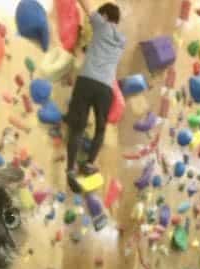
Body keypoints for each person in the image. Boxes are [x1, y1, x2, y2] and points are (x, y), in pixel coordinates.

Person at [65, 1, 126, 193]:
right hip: (106, 89)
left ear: (106, 17)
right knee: (100, 128)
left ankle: (71, 169)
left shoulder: (102, 25)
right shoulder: (122, 40)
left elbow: (86, 6)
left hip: (87, 80)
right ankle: (89, 163)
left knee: (77, 127)